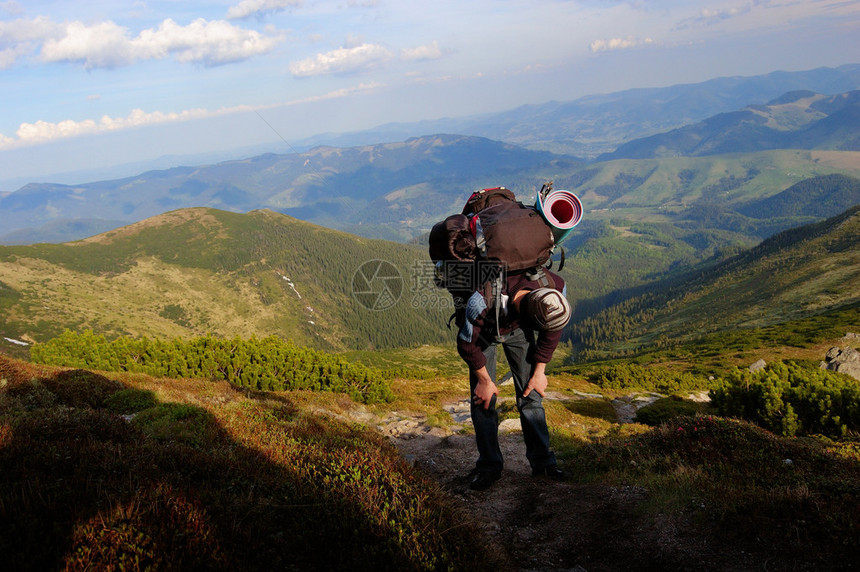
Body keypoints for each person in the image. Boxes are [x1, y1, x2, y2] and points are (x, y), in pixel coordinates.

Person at [455, 267, 571, 491]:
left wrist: (539, 373)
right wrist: (485, 381)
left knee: (531, 394)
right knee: (483, 400)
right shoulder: (482, 297)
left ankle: (544, 464)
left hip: (518, 328)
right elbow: (467, 344)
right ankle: (489, 467)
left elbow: (551, 333)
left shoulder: (553, 289)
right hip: (484, 329)